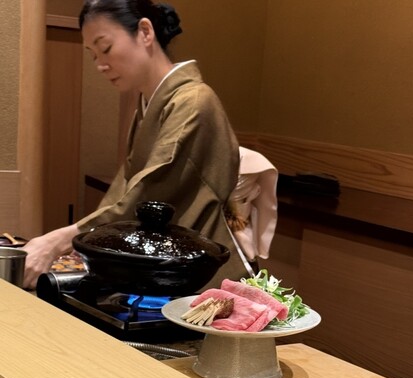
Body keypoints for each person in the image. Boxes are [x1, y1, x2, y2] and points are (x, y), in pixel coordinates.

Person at [22, 0, 247, 290]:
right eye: (93, 55)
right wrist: (88, 242)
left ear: (145, 32)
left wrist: (62, 240)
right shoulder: (148, 104)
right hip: (166, 267)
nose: (100, 65)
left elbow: (150, 191)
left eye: (105, 48)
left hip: (200, 273)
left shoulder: (193, 102)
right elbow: (124, 187)